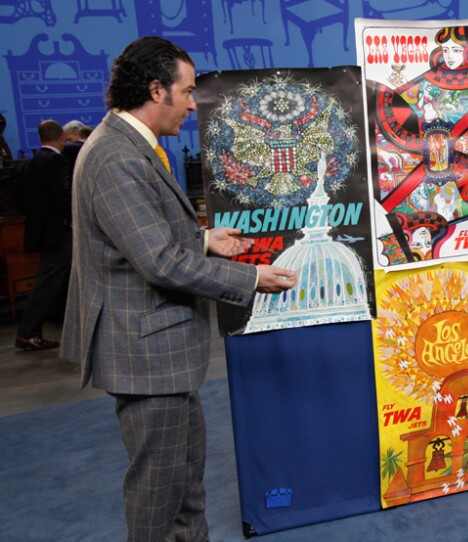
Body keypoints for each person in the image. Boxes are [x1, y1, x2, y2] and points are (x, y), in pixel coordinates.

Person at [59, 37, 296, 541]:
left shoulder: (127, 148)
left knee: (186, 487)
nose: (193, 105)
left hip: (160, 357)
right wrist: (252, 278)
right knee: (157, 494)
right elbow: (160, 262)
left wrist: (202, 239)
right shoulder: (114, 158)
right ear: (155, 89)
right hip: (145, 357)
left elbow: (140, 241)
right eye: (186, 92)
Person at [13, 119, 71, 350]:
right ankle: (28, 332)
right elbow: (62, 194)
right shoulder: (57, 161)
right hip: (59, 231)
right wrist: (70, 220)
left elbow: (16, 197)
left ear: (39, 138)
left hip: (39, 231)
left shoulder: (28, 164)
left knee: (54, 279)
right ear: (62, 138)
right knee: (48, 282)